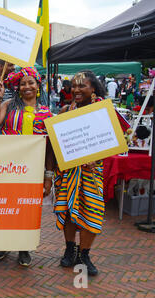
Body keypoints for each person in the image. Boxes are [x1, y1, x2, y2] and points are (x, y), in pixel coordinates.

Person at [0, 67, 54, 266]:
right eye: (23, 83)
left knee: (27, 211)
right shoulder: (9, 105)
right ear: (17, 87)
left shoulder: (47, 114)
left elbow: (50, 149)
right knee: (5, 208)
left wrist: (48, 177)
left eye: (31, 82)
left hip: (32, 172)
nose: (27, 87)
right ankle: (4, 243)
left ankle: (24, 248)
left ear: (38, 85)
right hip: (6, 169)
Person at [53, 70, 106, 276]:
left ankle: (84, 254)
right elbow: (56, 143)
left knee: (91, 210)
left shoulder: (103, 112)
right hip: (68, 171)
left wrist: (98, 156)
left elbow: (117, 141)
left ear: (93, 88)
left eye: (82, 85)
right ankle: (69, 249)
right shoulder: (66, 111)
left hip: (92, 172)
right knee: (67, 211)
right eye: (74, 85)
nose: (76, 89)